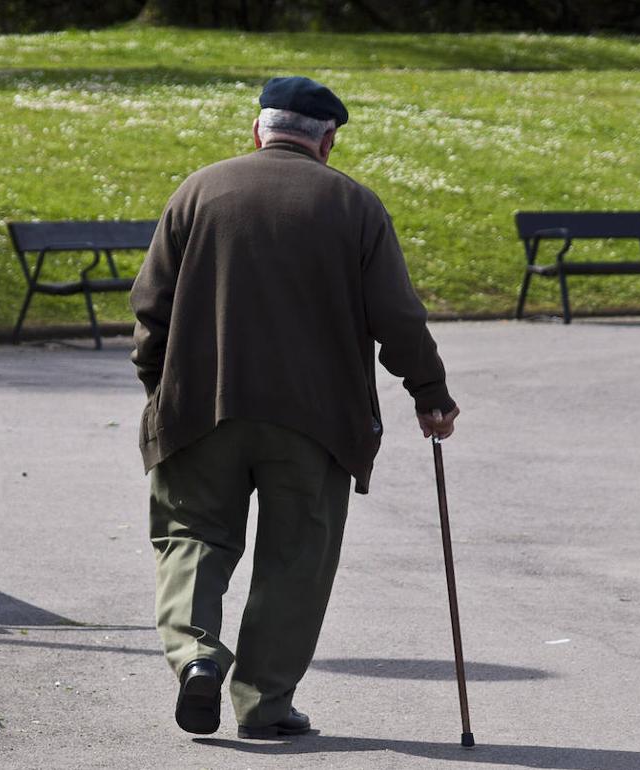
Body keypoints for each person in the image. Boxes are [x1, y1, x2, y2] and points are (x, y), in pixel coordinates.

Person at [129, 75, 459, 739]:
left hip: (201, 410)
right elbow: (396, 315)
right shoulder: (354, 206)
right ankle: (263, 705)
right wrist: (429, 392)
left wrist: (160, 388)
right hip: (314, 421)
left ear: (258, 129)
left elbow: (150, 308)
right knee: (296, 560)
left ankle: (195, 658)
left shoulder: (198, 191)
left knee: (193, 538)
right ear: (327, 140)